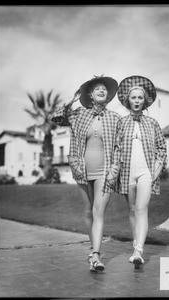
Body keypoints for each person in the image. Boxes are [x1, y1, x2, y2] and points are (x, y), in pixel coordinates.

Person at [51, 75, 121, 272]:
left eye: (104, 89)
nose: (101, 91)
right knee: (89, 210)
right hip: (82, 169)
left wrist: (114, 169)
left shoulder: (115, 118)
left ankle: (96, 256)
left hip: (105, 172)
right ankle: (94, 248)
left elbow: (118, 147)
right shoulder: (79, 114)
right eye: (97, 88)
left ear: (108, 96)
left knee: (99, 211)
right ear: (89, 94)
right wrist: (71, 101)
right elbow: (56, 117)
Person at [115, 75, 167, 269]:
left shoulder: (152, 123)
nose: (136, 101)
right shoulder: (121, 123)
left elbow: (162, 148)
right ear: (128, 100)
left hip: (146, 172)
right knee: (131, 210)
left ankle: (138, 251)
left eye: (140, 98)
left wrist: (158, 167)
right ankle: (135, 242)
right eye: (133, 97)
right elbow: (116, 148)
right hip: (127, 172)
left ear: (145, 101)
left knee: (142, 208)